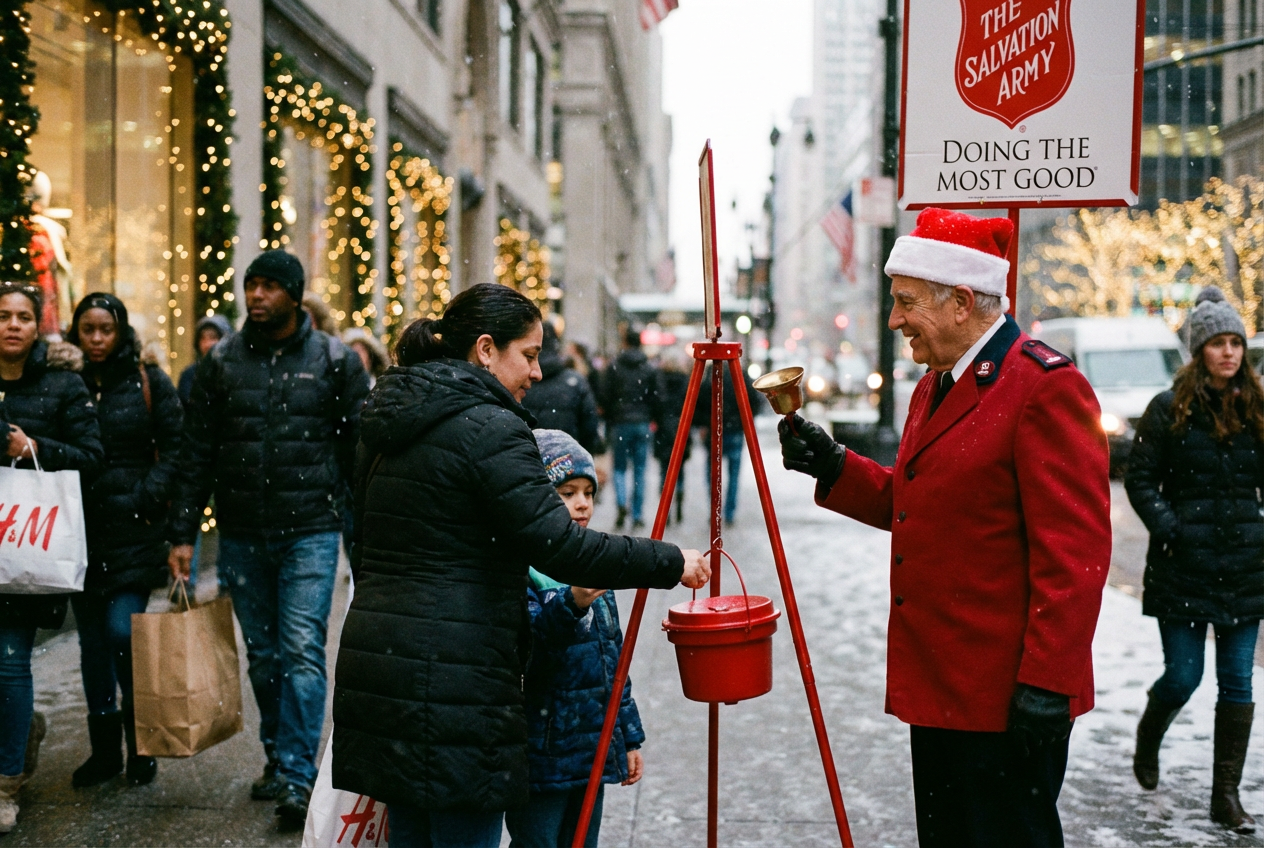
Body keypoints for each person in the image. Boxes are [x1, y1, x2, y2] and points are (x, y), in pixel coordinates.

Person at [777, 208, 1111, 847]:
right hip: (940, 689)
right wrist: (836, 465)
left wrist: (1048, 681)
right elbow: (918, 502)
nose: (895, 319)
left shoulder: (1044, 387)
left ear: (961, 302)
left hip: (1006, 700)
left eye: (906, 303)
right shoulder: (936, 384)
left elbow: (1076, 556)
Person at [332, 283, 709, 848]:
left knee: (413, 834)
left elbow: (363, 541)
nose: (537, 372)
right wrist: (669, 560)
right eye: (528, 355)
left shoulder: (389, 417)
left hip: (380, 664)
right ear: (486, 350)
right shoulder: (489, 426)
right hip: (458, 678)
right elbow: (560, 546)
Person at [167, 249, 370, 827]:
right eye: (250, 285)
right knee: (263, 655)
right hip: (242, 532)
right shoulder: (222, 361)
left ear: (294, 294)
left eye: (268, 287)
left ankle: (299, 774)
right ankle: (279, 755)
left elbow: (356, 453)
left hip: (311, 528)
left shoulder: (334, 361)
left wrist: (360, 534)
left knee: (302, 647)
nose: (256, 296)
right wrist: (183, 531)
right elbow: (196, 450)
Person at [1125, 285, 1264, 833]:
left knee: (1237, 682)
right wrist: (1170, 527)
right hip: (1184, 565)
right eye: (1218, 343)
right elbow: (1140, 479)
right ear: (1199, 350)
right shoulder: (1168, 409)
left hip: (1246, 566)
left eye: (1236, 343)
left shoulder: (1257, 408)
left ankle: (1224, 796)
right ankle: (1149, 732)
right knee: (1183, 677)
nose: (1229, 353)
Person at [65, 293, 183, 789]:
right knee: (92, 645)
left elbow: (178, 446)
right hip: (79, 533)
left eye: (105, 330)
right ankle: (104, 752)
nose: (96, 340)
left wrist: (147, 496)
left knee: (121, 634)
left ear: (120, 331)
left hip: (134, 531)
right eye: (87, 330)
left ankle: (141, 742)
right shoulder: (66, 382)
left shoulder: (147, 379)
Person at [506, 430, 645, 848]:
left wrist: (629, 737)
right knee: (538, 841)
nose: (582, 503)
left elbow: (613, 663)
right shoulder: (523, 569)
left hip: (590, 747)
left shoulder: (593, 563)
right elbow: (533, 653)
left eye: (587, 492)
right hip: (542, 751)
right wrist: (571, 602)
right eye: (567, 493)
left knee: (582, 840)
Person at [0, 282, 103, 832]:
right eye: (3, 316)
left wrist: (33, 448)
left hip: (23, 551)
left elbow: (93, 458)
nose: (12, 325)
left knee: (12, 663)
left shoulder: (64, 386)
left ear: (37, 326)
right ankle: (18, 739)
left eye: (22, 317)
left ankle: (5, 784)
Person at [600, 327, 659, 529]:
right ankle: (637, 513)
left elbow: (604, 394)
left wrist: (611, 415)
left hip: (620, 423)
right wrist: (651, 415)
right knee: (640, 470)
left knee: (619, 468)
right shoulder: (649, 368)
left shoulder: (615, 366)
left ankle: (621, 504)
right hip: (642, 422)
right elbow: (657, 397)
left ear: (625, 342)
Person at [692, 364, 761, 526]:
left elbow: (700, 401)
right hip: (735, 429)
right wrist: (743, 420)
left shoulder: (711, 373)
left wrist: (703, 423)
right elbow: (754, 401)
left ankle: (715, 511)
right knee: (733, 474)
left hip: (714, 429)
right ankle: (729, 512)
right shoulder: (739, 373)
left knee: (713, 475)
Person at [523, 322, 603, 455]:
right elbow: (589, 426)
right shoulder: (575, 381)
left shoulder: (520, 379)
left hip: (526, 461)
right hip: (566, 461)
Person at [653, 351, 693, 524]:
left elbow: (656, 405)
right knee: (680, 472)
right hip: (680, 428)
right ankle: (679, 508)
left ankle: (666, 510)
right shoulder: (685, 381)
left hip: (663, 430)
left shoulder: (659, 380)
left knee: (664, 471)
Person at [177, 314, 232, 408]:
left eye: (213, 338)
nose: (207, 344)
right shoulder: (189, 374)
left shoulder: (234, 371)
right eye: (203, 338)